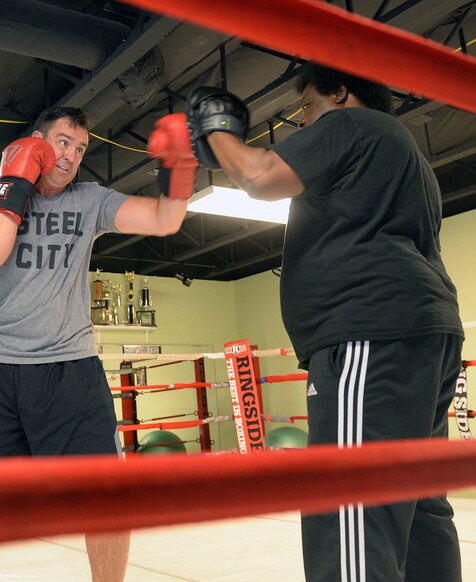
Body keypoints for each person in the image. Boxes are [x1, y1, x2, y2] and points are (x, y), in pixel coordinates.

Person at [188, 64, 463, 582]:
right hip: (423, 334)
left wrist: (215, 126)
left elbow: (259, 176)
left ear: (340, 91)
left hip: (369, 334)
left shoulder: (351, 125)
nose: (305, 121)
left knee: (350, 507)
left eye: (308, 106)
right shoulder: (407, 155)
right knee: (420, 506)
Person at [0, 105, 197, 582]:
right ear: (36, 141)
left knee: (105, 496)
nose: (71, 155)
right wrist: (15, 183)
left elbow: (164, 220)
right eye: (62, 142)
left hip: (70, 366)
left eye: (80, 149)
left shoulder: (89, 199)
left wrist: (180, 168)